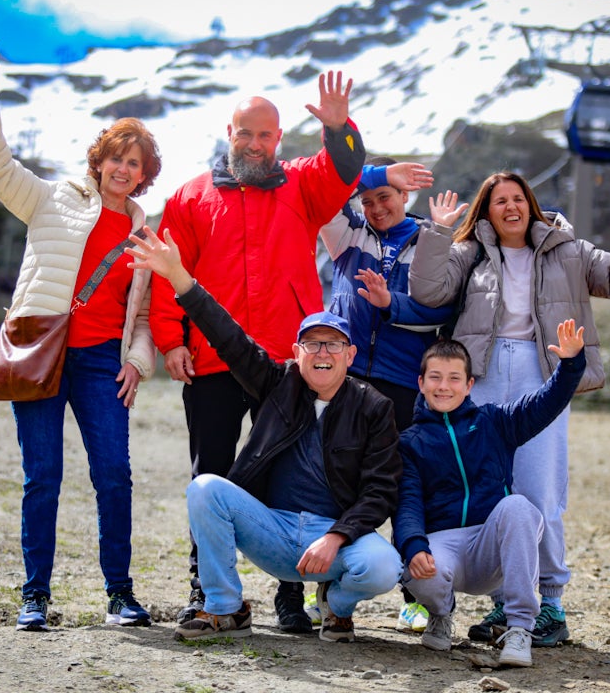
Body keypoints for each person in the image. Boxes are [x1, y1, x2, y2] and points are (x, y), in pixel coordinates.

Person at [149, 70, 368, 632]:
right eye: (245, 134)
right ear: (230, 131)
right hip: (215, 359)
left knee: (291, 477)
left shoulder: (302, 185)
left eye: (265, 136)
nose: (254, 144)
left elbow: (343, 170)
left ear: (279, 139)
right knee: (212, 471)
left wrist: (340, 127)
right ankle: (209, 590)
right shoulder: (189, 196)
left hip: (286, 363)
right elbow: (169, 275)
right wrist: (171, 340)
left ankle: (289, 598)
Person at [408, 171, 610, 648]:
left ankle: (552, 604)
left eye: (517, 198)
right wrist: (438, 231)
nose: (509, 207)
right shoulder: (470, 251)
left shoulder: (570, 250)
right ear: (487, 209)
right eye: (498, 201)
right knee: (488, 487)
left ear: (531, 204)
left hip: (542, 372)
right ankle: (506, 601)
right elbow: (428, 292)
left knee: (539, 488)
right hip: (479, 374)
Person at [128, 229, 404, 643]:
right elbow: (228, 337)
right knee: (205, 489)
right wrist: (180, 278)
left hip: (332, 539)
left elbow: (381, 491)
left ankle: (336, 607)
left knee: (383, 566)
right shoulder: (278, 384)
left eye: (333, 345)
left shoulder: (373, 407)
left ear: (350, 356)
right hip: (270, 529)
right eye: (312, 345)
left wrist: (336, 536)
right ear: (296, 354)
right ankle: (226, 608)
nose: (323, 354)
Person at [0, 39, 160, 631]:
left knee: (114, 476)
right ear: (99, 159)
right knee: (43, 476)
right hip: (40, 352)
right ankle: (35, 596)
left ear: (143, 176)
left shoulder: (143, 237)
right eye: (117, 158)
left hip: (103, 361)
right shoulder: (53, 199)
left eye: (136, 165)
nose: (124, 170)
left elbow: (147, 316)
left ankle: (120, 595)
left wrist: (137, 361)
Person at [395, 330, 585, 667]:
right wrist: (413, 546)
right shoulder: (410, 442)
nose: (444, 386)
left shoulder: (494, 422)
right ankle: (440, 614)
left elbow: (545, 403)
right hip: (443, 549)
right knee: (412, 554)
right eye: (435, 378)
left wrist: (570, 364)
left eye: (454, 378)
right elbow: (408, 502)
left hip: (491, 548)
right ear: (421, 383)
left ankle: (519, 630)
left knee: (519, 507)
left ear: (469, 385)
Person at [317, 156, 442, 632]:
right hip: (344, 378)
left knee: (406, 486)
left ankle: (415, 594)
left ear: (405, 197)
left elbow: (443, 307)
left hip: (401, 382)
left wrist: (392, 305)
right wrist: (377, 177)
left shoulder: (431, 237)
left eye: (385, 197)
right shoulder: (347, 233)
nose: (375, 207)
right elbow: (331, 192)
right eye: (367, 200)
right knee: (337, 482)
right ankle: (328, 592)